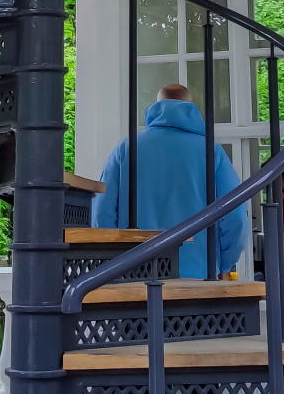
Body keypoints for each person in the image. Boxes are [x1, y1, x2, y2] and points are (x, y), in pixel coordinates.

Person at [93, 84, 248, 278]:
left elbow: (102, 211)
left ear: (156, 108)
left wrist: (111, 262)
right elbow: (235, 215)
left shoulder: (126, 147)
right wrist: (226, 264)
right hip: (199, 273)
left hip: (134, 269)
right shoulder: (211, 151)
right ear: (191, 109)